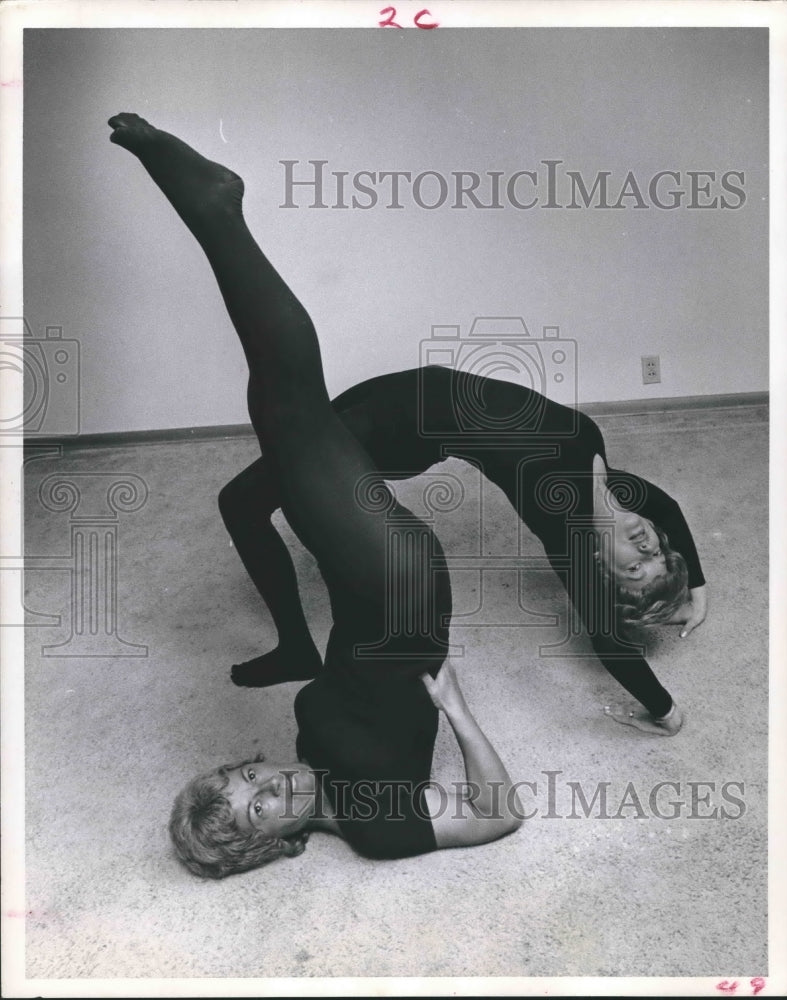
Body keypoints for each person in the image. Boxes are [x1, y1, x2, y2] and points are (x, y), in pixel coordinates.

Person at [108, 113, 522, 878]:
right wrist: (459, 713)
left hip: (361, 595)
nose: (270, 783)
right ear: (277, 844)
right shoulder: (374, 826)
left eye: (246, 777)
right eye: (260, 808)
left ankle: (216, 211)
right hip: (397, 589)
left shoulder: (315, 766)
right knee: (291, 404)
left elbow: (351, 692)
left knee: (284, 414)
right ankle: (216, 209)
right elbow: (500, 816)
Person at [220, 365, 707, 733]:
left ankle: (296, 648)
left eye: (638, 568)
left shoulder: (565, 526)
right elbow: (670, 508)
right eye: (661, 554)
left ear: (599, 569)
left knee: (241, 500)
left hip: (389, 430)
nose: (649, 546)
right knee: (292, 464)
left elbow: (609, 641)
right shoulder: (615, 488)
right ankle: (321, 552)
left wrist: (665, 712)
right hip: (406, 391)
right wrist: (696, 590)